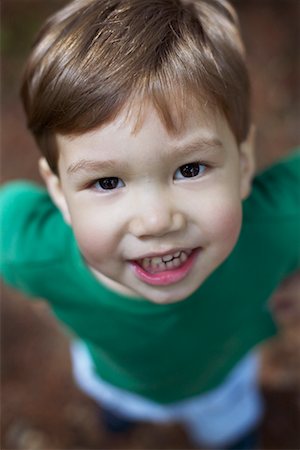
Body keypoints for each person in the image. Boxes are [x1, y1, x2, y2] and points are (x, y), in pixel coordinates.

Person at [1, 0, 299, 448]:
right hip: (112, 376)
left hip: (222, 385)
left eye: (191, 169)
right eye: (107, 181)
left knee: (230, 430)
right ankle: (120, 411)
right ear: (59, 192)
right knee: (118, 399)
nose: (157, 220)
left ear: (243, 161)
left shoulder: (280, 222)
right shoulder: (33, 251)